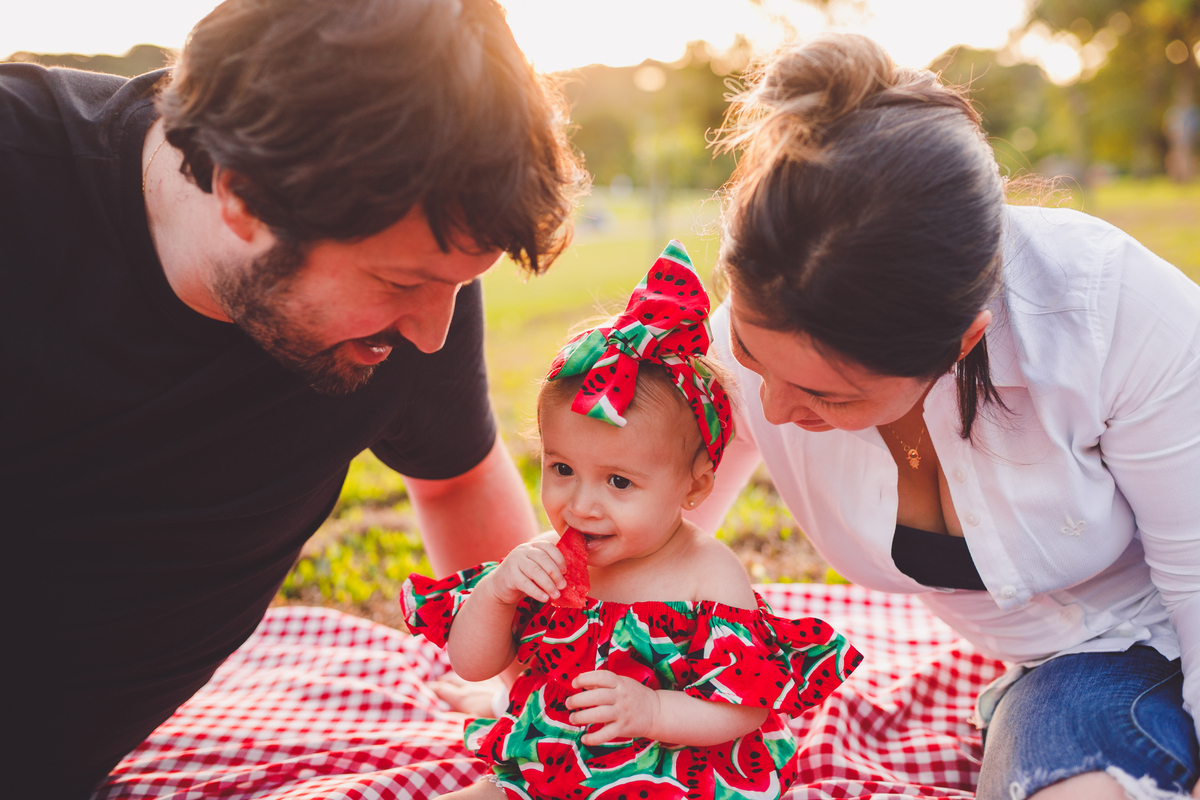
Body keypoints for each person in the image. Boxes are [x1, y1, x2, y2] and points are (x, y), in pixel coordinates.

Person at [0, 0, 582, 794]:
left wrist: (536, 695)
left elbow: (455, 479)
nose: (432, 335)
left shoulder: (411, 280)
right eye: (405, 282)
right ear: (245, 193)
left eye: (456, 284)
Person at [685, 33, 1200, 800]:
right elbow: (658, 533)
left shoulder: (1114, 312)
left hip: (1153, 628)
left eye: (831, 396)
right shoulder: (756, 332)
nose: (773, 411)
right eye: (753, 361)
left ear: (962, 341)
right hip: (1057, 673)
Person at [401, 242, 862, 800]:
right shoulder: (550, 561)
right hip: (556, 764)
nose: (582, 504)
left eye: (619, 482)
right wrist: (497, 592)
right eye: (563, 468)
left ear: (694, 485)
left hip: (678, 774)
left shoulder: (707, 576)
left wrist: (653, 710)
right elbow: (473, 665)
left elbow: (745, 706)